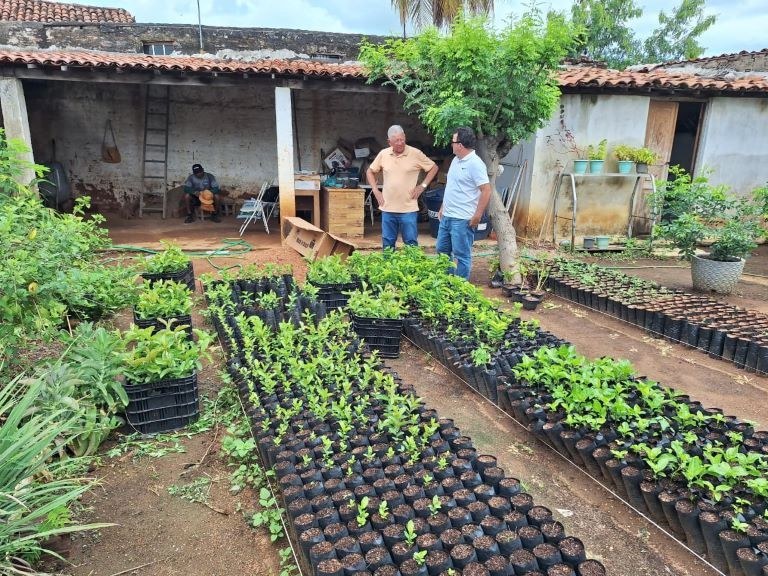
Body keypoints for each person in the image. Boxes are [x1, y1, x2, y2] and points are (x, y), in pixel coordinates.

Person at [366, 125, 438, 249]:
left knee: (411, 244)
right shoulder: (384, 154)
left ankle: (412, 263)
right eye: (396, 141)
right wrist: (375, 190)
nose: (400, 143)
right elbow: (370, 171)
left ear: (405, 137)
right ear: (389, 142)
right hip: (387, 208)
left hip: (408, 209)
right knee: (387, 244)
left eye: (402, 139)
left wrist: (422, 186)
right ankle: (389, 263)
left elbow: (433, 167)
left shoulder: (415, 153)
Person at [436, 126, 492, 280]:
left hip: (462, 219)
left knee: (462, 255)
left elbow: (486, 190)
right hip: (447, 216)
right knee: (442, 251)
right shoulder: (455, 160)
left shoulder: (475, 164)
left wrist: (477, 215)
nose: (451, 144)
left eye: (453, 141)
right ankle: (445, 283)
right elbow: (451, 186)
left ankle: (459, 288)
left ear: (460, 145)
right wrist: (443, 206)